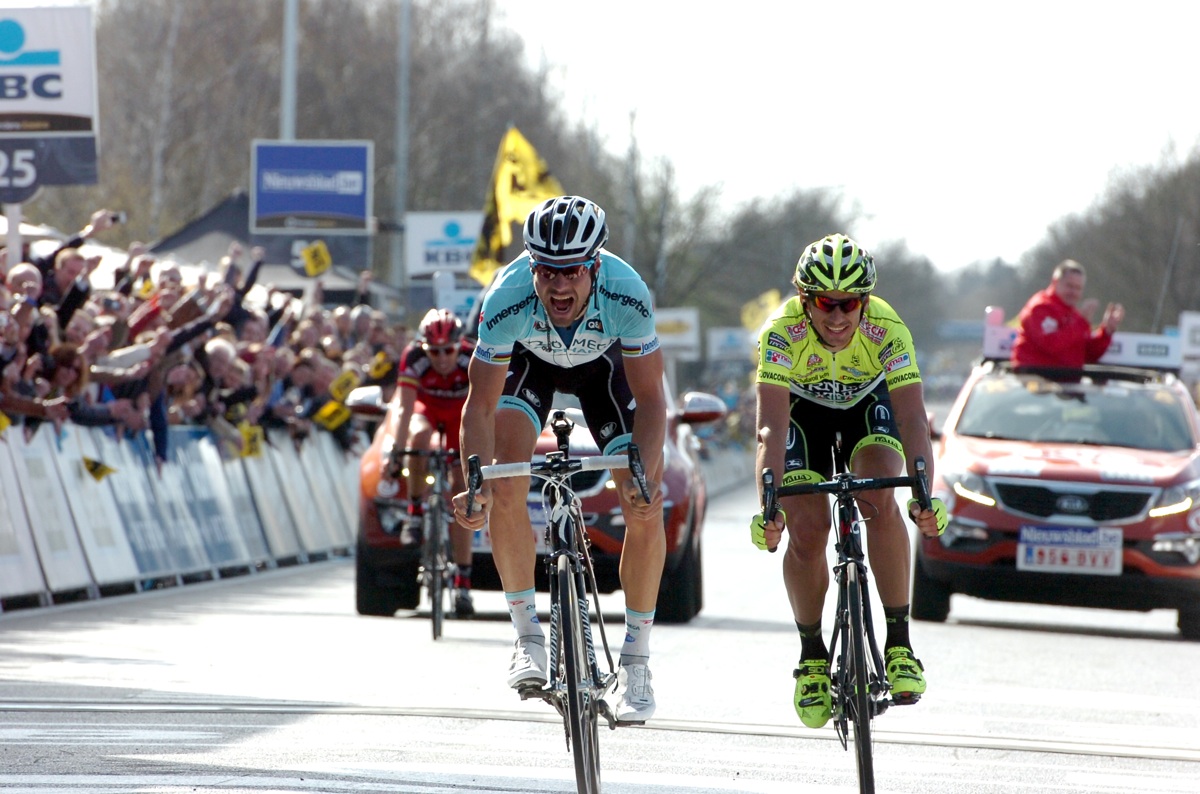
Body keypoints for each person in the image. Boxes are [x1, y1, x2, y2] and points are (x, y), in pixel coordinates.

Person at [452, 195, 668, 723]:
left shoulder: (627, 292)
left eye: (571, 271)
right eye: (546, 272)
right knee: (503, 482)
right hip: (530, 368)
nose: (558, 286)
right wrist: (475, 482)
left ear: (594, 265)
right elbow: (479, 405)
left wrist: (645, 475)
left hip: (604, 372)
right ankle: (528, 635)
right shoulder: (506, 296)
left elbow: (654, 402)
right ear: (531, 267)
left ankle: (636, 659)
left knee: (643, 506)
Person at [749, 233, 947, 730]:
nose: (838, 318)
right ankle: (813, 656)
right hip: (802, 418)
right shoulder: (779, 333)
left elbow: (915, 420)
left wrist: (925, 494)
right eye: (825, 304)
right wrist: (769, 506)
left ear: (865, 302)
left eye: (850, 304)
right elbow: (770, 427)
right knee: (808, 529)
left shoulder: (887, 329)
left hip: (866, 410)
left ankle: (899, 645)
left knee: (880, 494)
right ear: (804, 300)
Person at [390, 306, 476, 617]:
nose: (441, 358)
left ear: (459, 345)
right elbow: (403, 410)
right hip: (427, 410)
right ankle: (414, 512)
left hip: (460, 418)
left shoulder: (472, 358)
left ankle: (464, 583)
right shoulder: (413, 358)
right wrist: (397, 453)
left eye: (448, 351)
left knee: (464, 492)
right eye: (435, 351)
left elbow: (485, 410)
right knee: (419, 440)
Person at [1011, 259, 1124, 369]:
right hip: (1035, 379)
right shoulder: (1040, 307)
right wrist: (1081, 322)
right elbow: (1051, 345)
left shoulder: (1073, 314)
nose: (1073, 292)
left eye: (1078, 288)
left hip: (1066, 380)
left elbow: (1087, 355)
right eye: (1069, 286)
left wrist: (1106, 331)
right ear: (1055, 282)